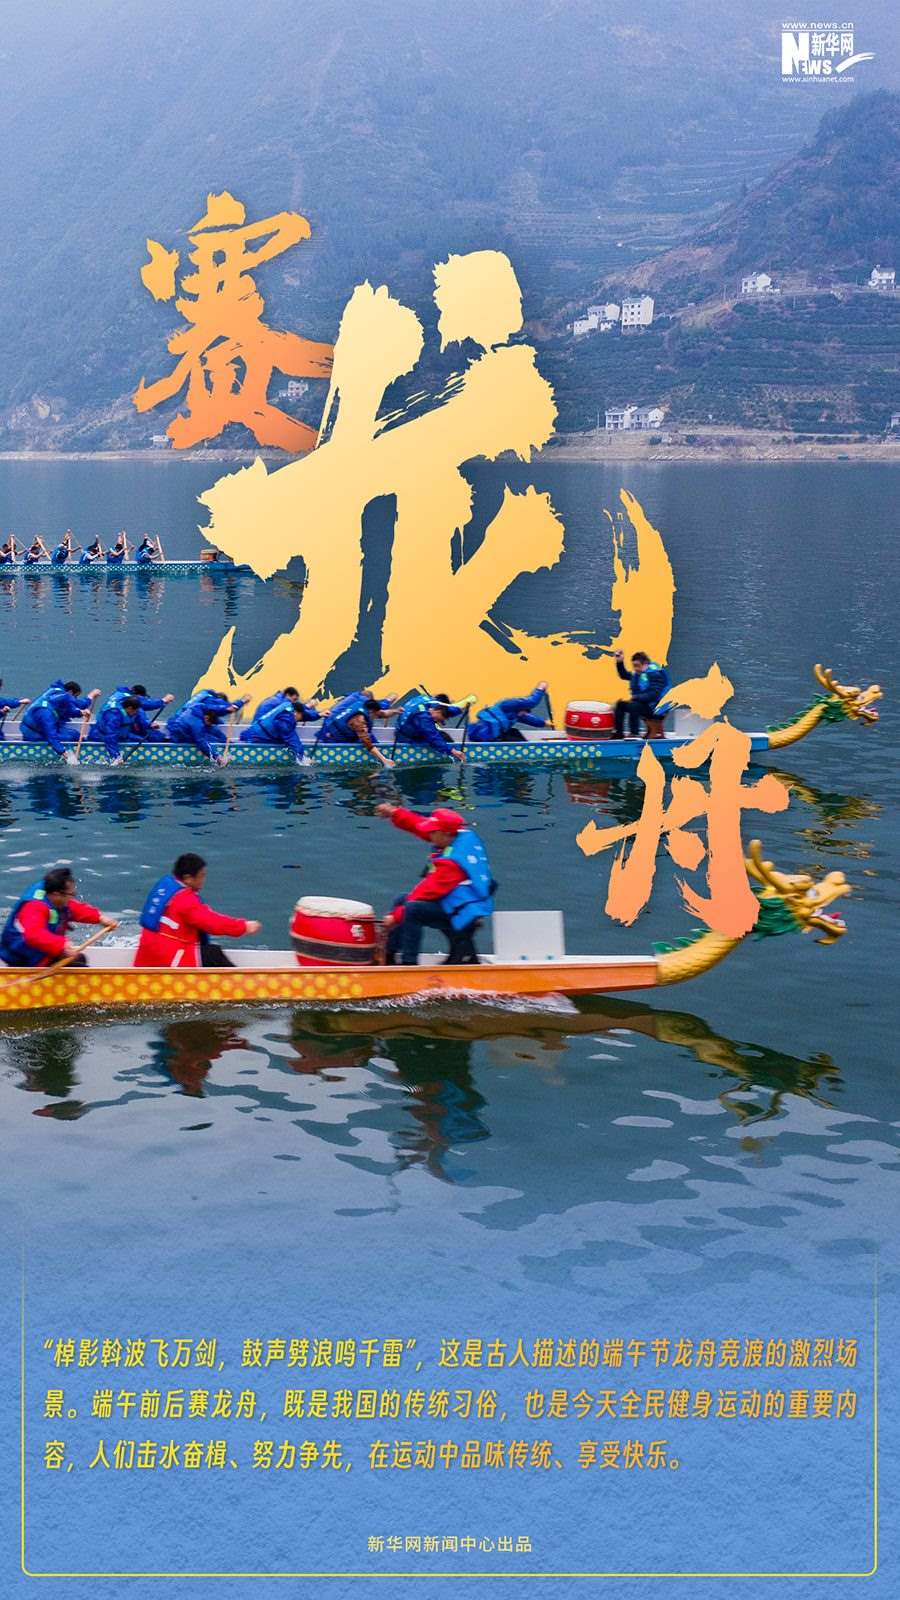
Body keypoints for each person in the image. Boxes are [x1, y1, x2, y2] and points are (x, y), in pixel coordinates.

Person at [375, 803, 495, 966]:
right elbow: (419, 825)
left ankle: (408, 964)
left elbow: (428, 891)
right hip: (456, 898)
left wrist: (394, 917)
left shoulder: (453, 862)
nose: (428, 833)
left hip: (464, 909)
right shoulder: (459, 835)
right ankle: (389, 956)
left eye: (432, 831)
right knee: (401, 900)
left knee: (412, 909)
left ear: (445, 834)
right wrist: (395, 813)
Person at [134, 852, 260, 968]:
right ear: (188, 878)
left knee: (210, 952)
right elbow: (213, 923)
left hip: (147, 956)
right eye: (201, 876)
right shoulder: (185, 901)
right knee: (213, 955)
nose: (203, 881)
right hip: (168, 961)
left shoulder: (165, 885)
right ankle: (238, 982)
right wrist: (244, 926)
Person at [0, 865, 117, 968]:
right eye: (71, 894)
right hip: (24, 956)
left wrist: (99, 918)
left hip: (40, 949)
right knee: (77, 967)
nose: (73, 897)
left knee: (80, 959)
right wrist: (62, 945)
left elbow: (71, 907)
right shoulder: (34, 907)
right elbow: (33, 935)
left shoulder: (53, 894)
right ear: (57, 894)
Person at [89, 684, 175, 761]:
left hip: (120, 733)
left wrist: (148, 725)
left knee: (145, 738)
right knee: (144, 740)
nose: (137, 712)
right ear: (130, 708)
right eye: (136, 711)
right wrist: (116, 757)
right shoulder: (114, 715)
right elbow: (110, 737)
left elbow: (140, 719)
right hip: (102, 735)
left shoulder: (125, 703)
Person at [20, 680, 101, 759]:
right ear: (70, 692)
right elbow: (50, 734)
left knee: (75, 734)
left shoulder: (58, 695)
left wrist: (81, 712)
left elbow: (68, 710)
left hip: (42, 729)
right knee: (72, 737)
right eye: (75, 696)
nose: (75, 699)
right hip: (33, 734)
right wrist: (62, 751)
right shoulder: (45, 712)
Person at [318, 692, 398, 768]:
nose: (376, 718)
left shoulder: (363, 704)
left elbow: (382, 713)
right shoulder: (359, 720)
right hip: (334, 738)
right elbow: (366, 742)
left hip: (344, 732)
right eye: (375, 716)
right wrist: (384, 760)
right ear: (371, 711)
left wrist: (396, 711)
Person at [167, 689, 248, 763]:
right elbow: (201, 742)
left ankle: (229, 743)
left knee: (213, 731)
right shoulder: (197, 725)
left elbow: (218, 709)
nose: (210, 725)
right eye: (210, 723)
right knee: (209, 740)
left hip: (182, 724)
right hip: (179, 736)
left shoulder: (200, 706)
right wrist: (217, 757)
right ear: (206, 718)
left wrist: (229, 743)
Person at [612, 650, 672, 738]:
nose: (635, 668)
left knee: (633, 705)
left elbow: (653, 694)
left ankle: (634, 733)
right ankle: (619, 733)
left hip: (655, 707)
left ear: (645, 664)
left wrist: (635, 697)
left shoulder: (655, 674)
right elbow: (624, 675)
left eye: (637, 665)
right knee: (620, 704)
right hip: (643, 704)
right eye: (634, 666)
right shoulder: (640, 674)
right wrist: (620, 662)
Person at [239, 696, 318, 761]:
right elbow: (292, 740)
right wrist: (302, 758)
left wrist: (319, 714)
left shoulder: (288, 705)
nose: (302, 718)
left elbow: (305, 712)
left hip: (249, 734)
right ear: (296, 713)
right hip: (252, 739)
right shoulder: (285, 721)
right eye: (301, 716)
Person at [394, 693, 469, 761]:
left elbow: (448, 709)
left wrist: (461, 708)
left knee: (443, 736)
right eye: (438, 720)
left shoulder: (433, 702)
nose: (436, 721)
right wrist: (452, 751)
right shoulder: (423, 718)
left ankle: (451, 750)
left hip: (412, 729)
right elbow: (433, 737)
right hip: (406, 737)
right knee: (438, 739)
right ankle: (454, 754)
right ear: (438, 711)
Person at [468, 683, 550, 742]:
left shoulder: (517, 715)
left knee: (514, 732)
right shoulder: (507, 705)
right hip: (485, 735)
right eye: (524, 713)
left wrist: (545, 723)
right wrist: (540, 689)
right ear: (521, 708)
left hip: (496, 734)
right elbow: (532, 702)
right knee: (513, 738)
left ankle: (526, 747)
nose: (523, 715)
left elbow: (531, 720)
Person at [253, 686, 318, 721]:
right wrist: (308, 706)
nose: (294, 702)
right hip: (261, 728)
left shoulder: (276, 699)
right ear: (288, 695)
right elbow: (296, 711)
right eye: (294, 699)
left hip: (258, 724)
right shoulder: (282, 703)